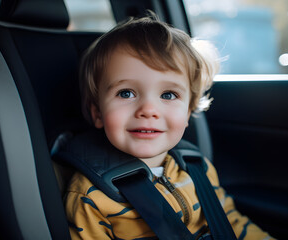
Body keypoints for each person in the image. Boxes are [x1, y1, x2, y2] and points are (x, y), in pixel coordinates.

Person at [64, 14, 274, 240]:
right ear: (98, 113)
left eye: (168, 94)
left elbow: (230, 221)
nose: (148, 109)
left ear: (189, 111)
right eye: (126, 93)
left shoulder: (197, 167)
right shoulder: (90, 196)